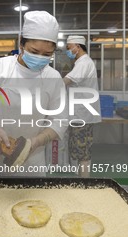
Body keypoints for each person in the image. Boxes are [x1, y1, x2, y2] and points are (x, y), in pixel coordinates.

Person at [0, 11, 68, 188]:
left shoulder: (53, 78)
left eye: (47, 54)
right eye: (34, 51)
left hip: (31, 162)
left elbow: (59, 121)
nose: (40, 58)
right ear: (21, 42)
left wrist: (34, 142)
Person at [63, 35, 101, 177]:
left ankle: (84, 184)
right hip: (80, 114)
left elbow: (67, 81)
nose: (68, 51)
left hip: (83, 116)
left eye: (69, 47)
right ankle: (81, 181)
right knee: (80, 152)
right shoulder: (80, 63)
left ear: (77, 47)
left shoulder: (84, 63)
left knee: (82, 153)